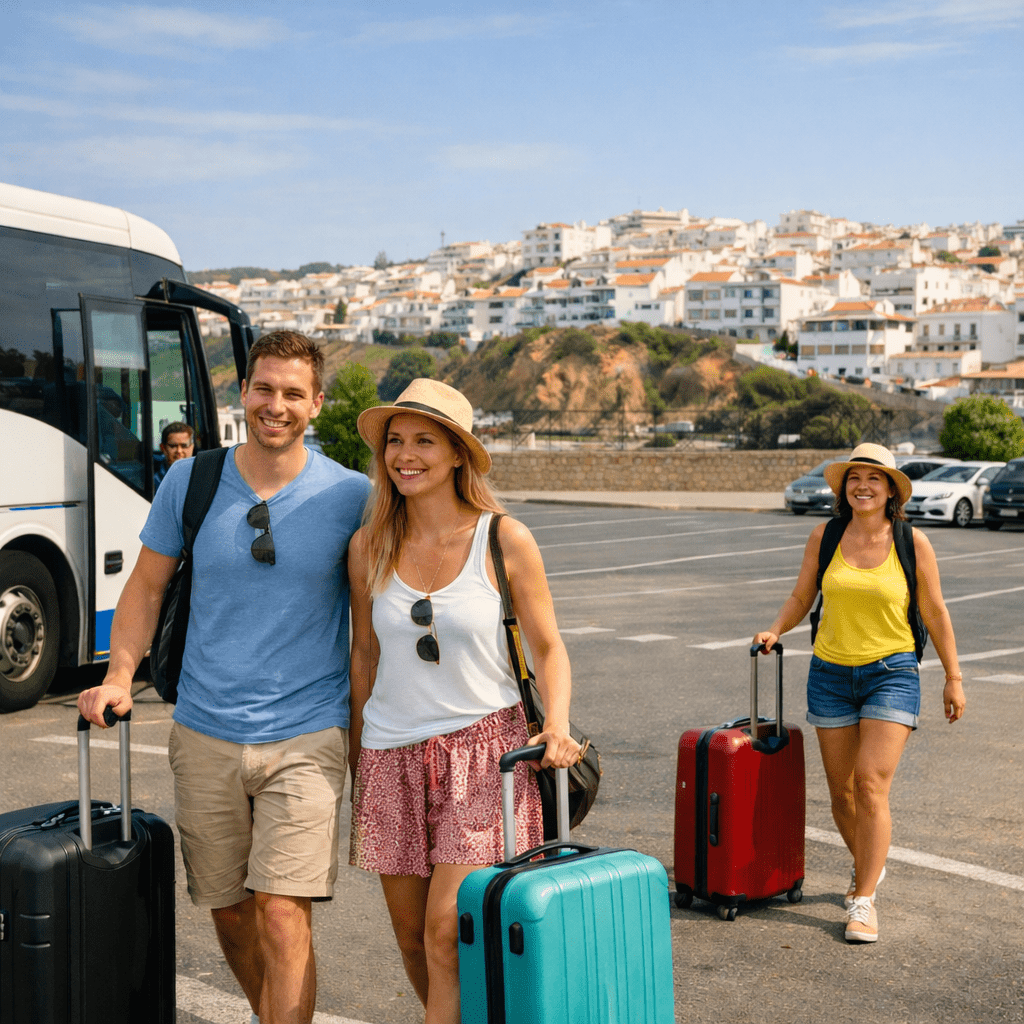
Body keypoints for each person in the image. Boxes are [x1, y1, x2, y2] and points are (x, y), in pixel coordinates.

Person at [78, 331, 371, 1024]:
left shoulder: (352, 495)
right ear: (244, 394)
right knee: (233, 914)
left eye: (293, 393)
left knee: (280, 913)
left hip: (307, 736)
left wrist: (365, 735)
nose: (277, 405)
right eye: (264, 389)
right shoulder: (192, 479)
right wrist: (120, 675)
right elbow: (146, 590)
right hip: (204, 733)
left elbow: (373, 624)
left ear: (316, 404)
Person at [347, 378, 580, 1024]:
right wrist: (355, 761)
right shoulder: (368, 546)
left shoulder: (503, 539)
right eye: (396, 441)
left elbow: (549, 648)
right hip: (390, 757)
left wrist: (556, 724)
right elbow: (363, 656)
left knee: (447, 935)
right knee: (413, 943)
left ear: (457, 455)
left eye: (425, 440)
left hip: (486, 756)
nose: (405, 454)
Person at [753, 443, 965, 945]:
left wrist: (953, 677)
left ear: (891, 489)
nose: (863, 486)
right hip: (829, 674)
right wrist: (776, 628)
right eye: (855, 478)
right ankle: (870, 862)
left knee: (870, 783)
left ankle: (863, 898)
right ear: (843, 487)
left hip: (892, 672)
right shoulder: (825, 536)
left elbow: (935, 612)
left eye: (874, 478)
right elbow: (804, 595)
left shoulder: (913, 544)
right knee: (842, 793)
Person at [153, 420, 195, 489]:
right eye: (173, 446)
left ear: (192, 447)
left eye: (184, 446)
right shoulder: (153, 479)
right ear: (163, 448)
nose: (179, 451)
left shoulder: (203, 475)